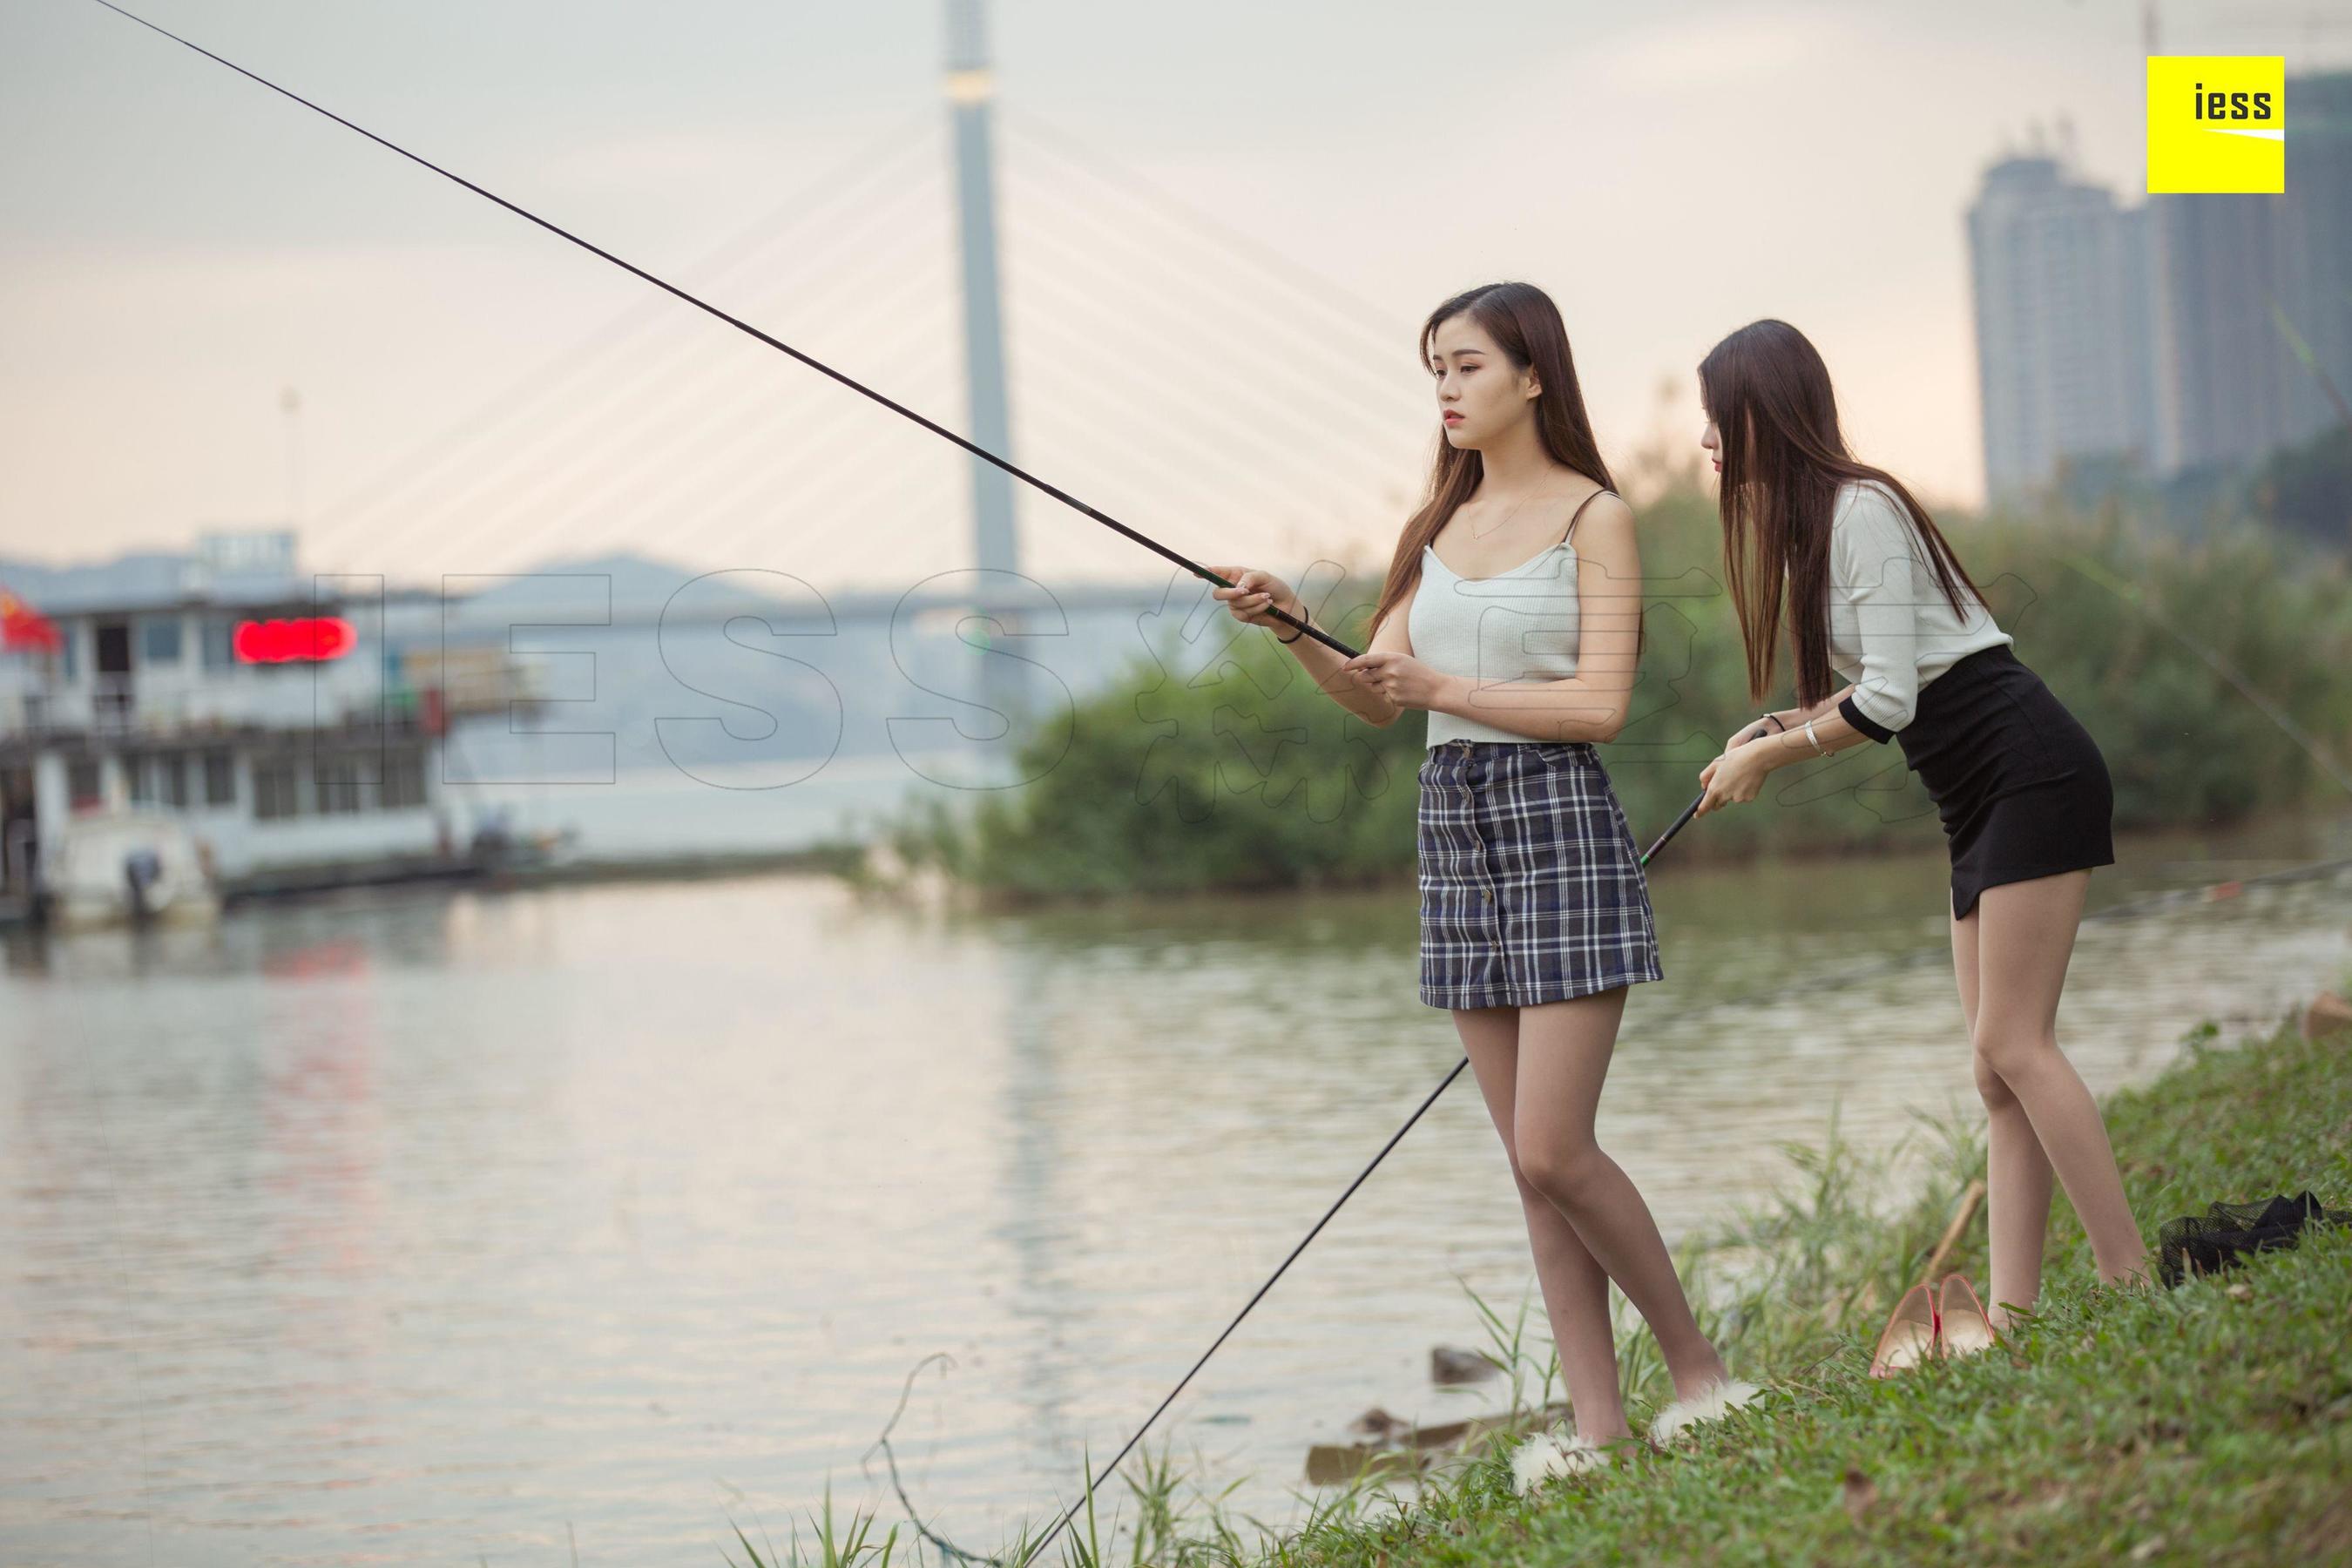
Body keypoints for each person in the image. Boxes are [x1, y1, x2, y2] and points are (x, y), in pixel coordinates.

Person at [1209, 281, 1754, 1474]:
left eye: (1464, 367)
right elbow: (1372, 693)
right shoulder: (1432, 530)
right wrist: (1297, 627)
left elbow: (1599, 707)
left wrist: (1447, 692)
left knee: (1558, 1147)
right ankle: (1601, 1431)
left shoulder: (1592, 518)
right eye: (1435, 373)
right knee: (1527, 1170)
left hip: (1555, 818)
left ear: (1532, 377)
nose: (1447, 391)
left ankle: (1701, 1372)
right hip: (1453, 831)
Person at [1688, 318, 2151, 1360]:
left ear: (1763, 415)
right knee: (1993, 1070)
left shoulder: (1863, 507)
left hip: (2029, 766)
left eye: (1718, 423)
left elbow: (1893, 702)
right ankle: (2017, 1312)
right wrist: (1773, 728)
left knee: (2013, 1044)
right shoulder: (1818, 527)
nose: (1706, 445)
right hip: (1973, 791)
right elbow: (1887, 682)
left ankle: (2130, 1280)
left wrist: (1774, 757)